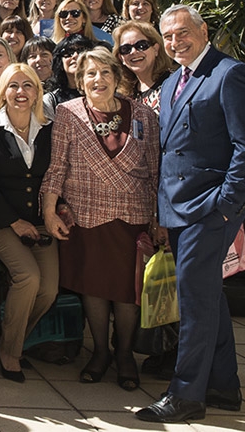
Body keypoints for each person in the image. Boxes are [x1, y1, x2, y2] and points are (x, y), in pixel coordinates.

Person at [135, 5, 245, 422]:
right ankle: (224, 386)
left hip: (210, 210)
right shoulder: (174, 80)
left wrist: (227, 204)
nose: (176, 42)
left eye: (183, 33)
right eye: (168, 36)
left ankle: (186, 394)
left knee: (193, 301)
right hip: (177, 209)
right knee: (208, 297)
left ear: (203, 30)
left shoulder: (231, 75)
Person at [41, 48, 160, 391]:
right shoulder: (67, 113)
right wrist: (49, 212)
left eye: (105, 73)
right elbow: (57, 166)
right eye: (90, 74)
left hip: (131, 218)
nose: (98, 80)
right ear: (80, 80)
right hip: (86, 216)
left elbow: (155, 170)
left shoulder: (143, 116)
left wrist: (157, 218)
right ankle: (99, 353)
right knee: (93, 290)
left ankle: (124, 355)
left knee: (126, 294)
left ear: (117, 76)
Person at [0, 65, 57, 383]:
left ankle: (10, 336)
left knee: (48, 290)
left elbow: (56, 176)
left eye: (28, 86)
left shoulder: (49, 128)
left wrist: (57, 211)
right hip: (2, 221)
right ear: (2, 91)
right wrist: (13, 221)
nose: (21, 92)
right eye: (13, 86)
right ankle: (10, 352)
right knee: (28, 278)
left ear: (37, 91)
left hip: (42, 221)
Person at [114, 21, 173, 112]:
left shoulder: (174, 84)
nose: (133, 52)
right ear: (121, 58)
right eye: (126, 49)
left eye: (141, 45)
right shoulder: (124, 95)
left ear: (155, 49)